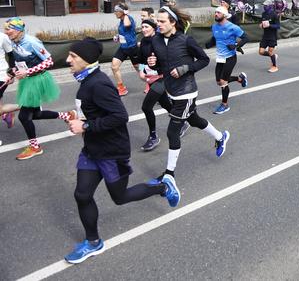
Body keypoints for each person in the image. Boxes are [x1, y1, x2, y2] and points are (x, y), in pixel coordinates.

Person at [63, 37, 179, 265]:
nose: (68, 60)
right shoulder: (86, 81)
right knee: (82, 195)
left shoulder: (98, 84)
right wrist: (81, 117)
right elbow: (96, 111)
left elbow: (120, 117)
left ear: (86, 60)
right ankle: (93, 242)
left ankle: (163, 186)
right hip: (92, 149)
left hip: (112, 152)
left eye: (73, 56)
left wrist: (85, 125)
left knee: (120, 197)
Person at [146, 6, 230, 187]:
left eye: (162, 21)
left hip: (186, 91)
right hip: (171, 90)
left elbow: (204, 60)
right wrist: (152, 64)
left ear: (173, 23)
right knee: (193, 119)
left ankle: (169, 175)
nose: (157, 24)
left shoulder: (186, 40)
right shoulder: (156, 41)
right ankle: (220, 137)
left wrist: (185, 69)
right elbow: (161, 67)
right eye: (157, 21)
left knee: (172, 131)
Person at [5, 18, 73, 160]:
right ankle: (67, 116)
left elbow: (49, 61)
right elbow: (20, 62)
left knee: (24, 116)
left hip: (37, 80)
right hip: (27, 79)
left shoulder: (31, 42)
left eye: (8, 29)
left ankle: (35, 147)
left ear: (18, 30)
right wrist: (13, 72)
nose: (6, 32)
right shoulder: (14, 41)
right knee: (34, 114)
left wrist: (28, 72)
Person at [205, 6, 248, 114]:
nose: (216, 14)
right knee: (219, 81)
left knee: (223, 82)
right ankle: (240, 79)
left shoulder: (232, 27)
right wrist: (209, 44)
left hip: (230, 58)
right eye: (215, 13)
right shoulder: (214, 26)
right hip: (220, 58)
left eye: (218, 13)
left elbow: (246, 37)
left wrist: (236, 46)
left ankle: (225, 105)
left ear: (224, 15)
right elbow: (215, 37)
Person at [137, 19, 172, 151]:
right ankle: (184, 121)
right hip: (151, 78)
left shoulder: (160, 40)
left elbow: (168, 57)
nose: (144, 29)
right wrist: (141, 71)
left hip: (162, 77)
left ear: (153, 28)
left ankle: (153, 136)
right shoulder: (144, 41)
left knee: (146, 107)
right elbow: (140, 59)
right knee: (165, 103)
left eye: (146, 27)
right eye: (142, 27)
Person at [111, 3, 141, 96]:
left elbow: (127, 25)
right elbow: (124, 31)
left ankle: (150, 83)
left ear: (122, 12)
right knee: (114, 66)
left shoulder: (128, 18)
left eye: (116, 11)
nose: (114, 13)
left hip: (132, 48)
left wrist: (126, 13)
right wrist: (118, 36)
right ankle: (121, 88)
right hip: (123, 48)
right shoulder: (121, 20)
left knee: (139, 68)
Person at [0, 30, 19, 134]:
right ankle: (28, 105)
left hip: (1, 75)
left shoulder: (2, 37)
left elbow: (11, 55)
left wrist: (12, 73)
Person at [259, 0, 280, 73]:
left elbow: (278, 26)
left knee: (270, 51)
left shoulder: (274, 14)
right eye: (264, 6)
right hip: (265, 36)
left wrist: (270, 25)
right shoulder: (263, 14)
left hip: (272, 36)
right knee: (261, 52)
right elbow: (262, 22)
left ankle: (274, 66)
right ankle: (273, 56)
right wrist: (261, 25)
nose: (264, 7)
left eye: (266, 6)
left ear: (270, 6)